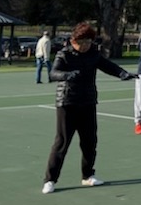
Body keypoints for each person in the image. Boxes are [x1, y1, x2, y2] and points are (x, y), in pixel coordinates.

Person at [42, 22, 134, 194]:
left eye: (88, 42)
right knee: (61, 143)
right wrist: (66, 75)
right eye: (81, 42)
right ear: (73, 40)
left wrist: (123, 73)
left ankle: (87, 176)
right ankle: (50, 180)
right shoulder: (64, 54)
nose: (85, 46)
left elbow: (108, 66)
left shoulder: (93, 54)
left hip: (88, 102)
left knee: (90, 142)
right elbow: (53, 74)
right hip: (67, 103)